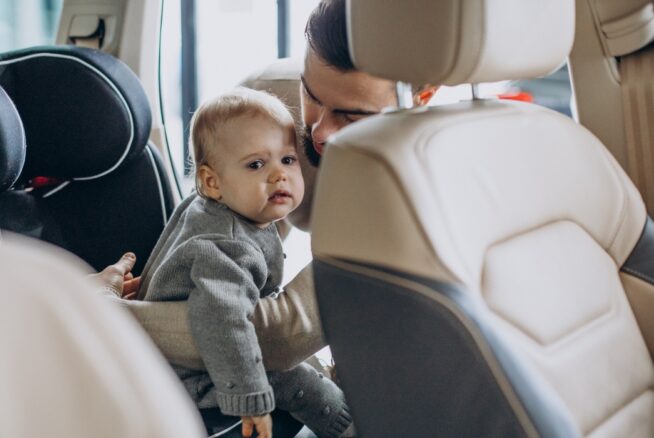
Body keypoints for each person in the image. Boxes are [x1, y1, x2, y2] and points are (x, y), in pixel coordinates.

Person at [100, 0, 436, 374]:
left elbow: (277, 337)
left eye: (351, 115)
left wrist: (96, 312)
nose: (320, 131)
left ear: (422, 97)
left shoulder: (421, 180)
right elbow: (222, 254)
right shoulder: (267, 107)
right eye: (312, 95)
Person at [138, 88, 353, 438]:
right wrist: (250, 399)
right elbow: (222, 320)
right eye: (256, 164)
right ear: (212, 182)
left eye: (287, 160)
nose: (279, 175)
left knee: (304, 363)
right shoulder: (225, 246)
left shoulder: (210, 206)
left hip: (191, 362)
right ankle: (343, 424)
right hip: (194, 378)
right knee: (294, 377)